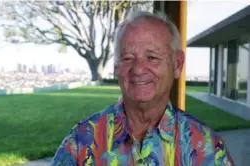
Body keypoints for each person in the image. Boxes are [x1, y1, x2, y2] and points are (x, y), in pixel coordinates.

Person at [51, 9, 234, 166]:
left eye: (152, 57)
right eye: (128, 58)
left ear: (177, 64)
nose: (138, 69)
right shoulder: (82, 142)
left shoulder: (205, 146)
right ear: (117, 68)